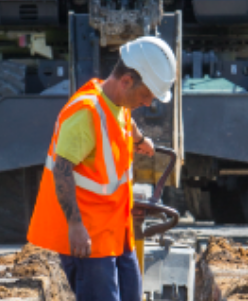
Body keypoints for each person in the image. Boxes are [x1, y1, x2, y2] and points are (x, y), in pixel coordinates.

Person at [27, 36, 177, 301]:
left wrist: (141, 141)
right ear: (127, 81)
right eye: (145, 95)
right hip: (89, 240)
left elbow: (123, 122)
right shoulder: (85, 114)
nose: (146, 103)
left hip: (116, 233)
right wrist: (74, 225)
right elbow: (61, 170)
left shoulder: (117, 102)